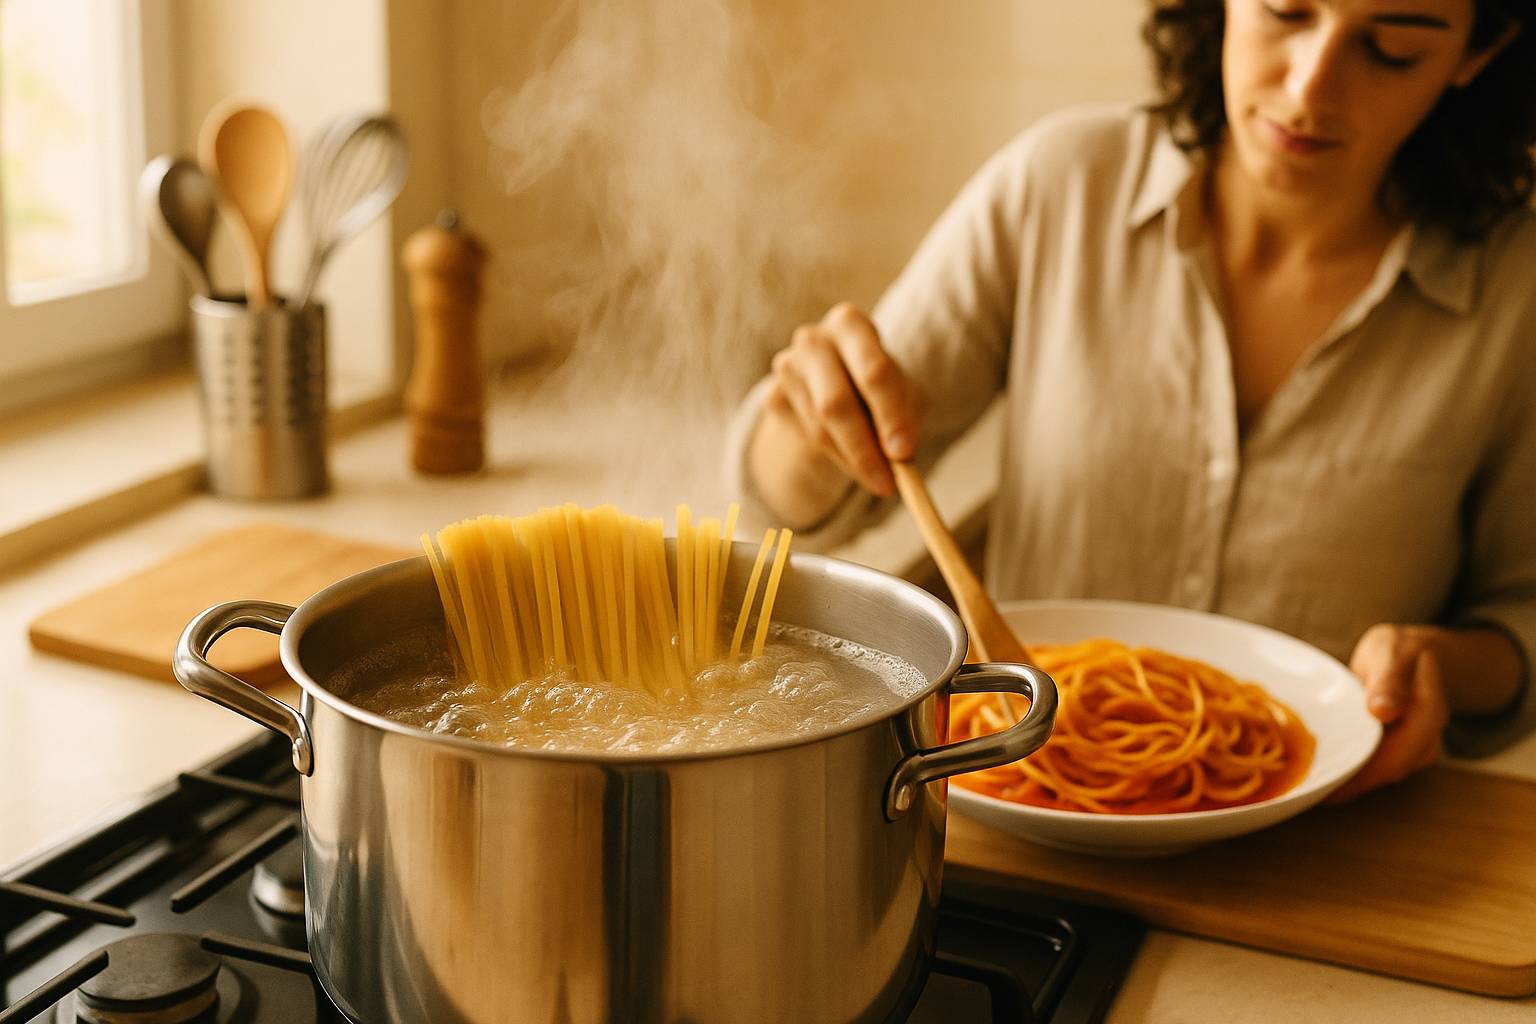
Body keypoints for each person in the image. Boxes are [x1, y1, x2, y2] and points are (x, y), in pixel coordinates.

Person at [726, 0, 1536, 800]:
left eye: (1392, 49)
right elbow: (787, 507)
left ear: (1479, 49)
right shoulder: (1063, 184)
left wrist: (1446, 669)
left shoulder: (1516, 291)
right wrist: (807, 431)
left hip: (1329, 845)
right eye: (1286, 12)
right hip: (1013, 810)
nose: (1310, 88)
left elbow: (1522, 613)